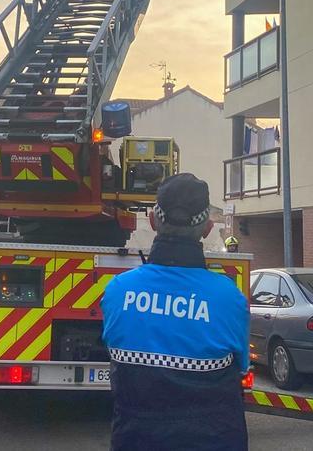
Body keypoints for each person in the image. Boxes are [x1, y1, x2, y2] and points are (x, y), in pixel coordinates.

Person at [100, 173, 249, 450]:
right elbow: (240, 368)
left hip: (135, 440)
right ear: (207, 228)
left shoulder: (118, 290)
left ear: (154, 221)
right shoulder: (229, 298)